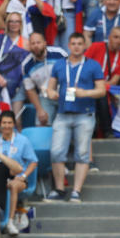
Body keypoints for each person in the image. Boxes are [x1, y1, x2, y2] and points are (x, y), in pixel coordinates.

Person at [45, 32, 106, 203]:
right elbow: (50, 87)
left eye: (80, 43)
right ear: (68, 46)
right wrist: (51, 94)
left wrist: (84, 93)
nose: (77, 46)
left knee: (82, 154)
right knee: (56, 152)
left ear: (84, 46)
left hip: (84, 114)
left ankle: (76, 191)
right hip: (63, 114)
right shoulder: (59, 65)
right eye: (73, 43)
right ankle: (59, 189)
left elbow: (101, 90)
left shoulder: (93, 65)